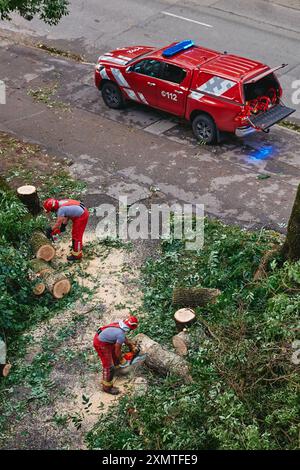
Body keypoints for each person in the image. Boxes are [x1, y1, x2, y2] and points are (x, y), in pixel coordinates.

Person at [93, 316, 138, 395]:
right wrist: (121, 359)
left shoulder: (118, 326)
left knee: (114, 356)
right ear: (129, 328)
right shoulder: (120, 334)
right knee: (109, 366)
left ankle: (118, 369)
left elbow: (123, 338)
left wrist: (130, 344)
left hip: (104, 339)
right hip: (100, 343)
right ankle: (107, 387)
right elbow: (117, 350)